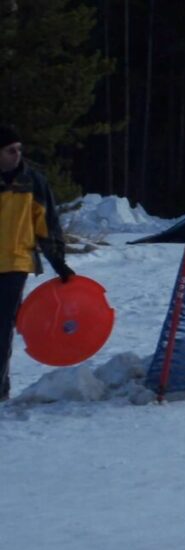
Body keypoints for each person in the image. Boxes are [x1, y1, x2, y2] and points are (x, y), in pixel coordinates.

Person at [0, 125, 75, 401]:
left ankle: (0, 389)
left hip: (14, 265)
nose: (17, 155)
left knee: (2, 328)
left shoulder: (33, 182)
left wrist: (59, 263)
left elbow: (47, 227)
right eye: (10, 150)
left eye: (19, 149)